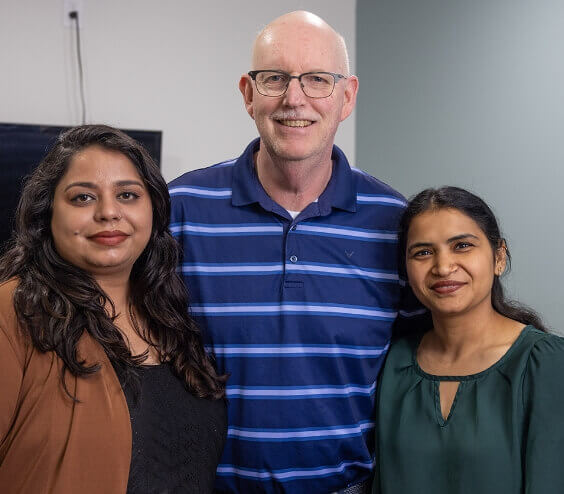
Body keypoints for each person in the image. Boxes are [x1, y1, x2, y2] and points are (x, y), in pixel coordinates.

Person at [169, 11, 424, 494]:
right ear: (248, 93)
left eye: (316, 80)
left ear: (346, 96)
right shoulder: (180, 210)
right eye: (275, 78)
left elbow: (424, 364)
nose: (294, 98)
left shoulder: (397, 223)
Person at [0, 125, 227, 494]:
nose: (109, 212)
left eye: (127, 194)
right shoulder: (14, 313)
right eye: (83, 198)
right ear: (47, 212)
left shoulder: (172, 319)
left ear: (152, 209)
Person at [373, 186, 564, 493]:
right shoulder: (395, 362)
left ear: (499, 256)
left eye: (461, 246)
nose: (443, 267)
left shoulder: (546, 364)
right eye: (423, 252)